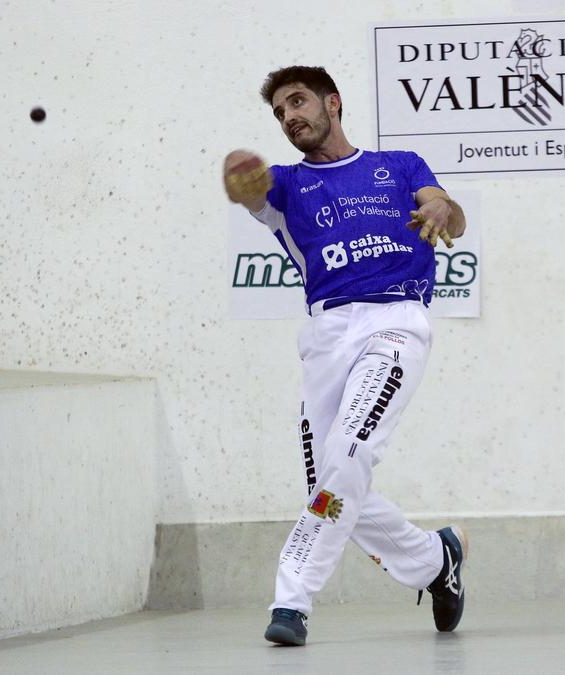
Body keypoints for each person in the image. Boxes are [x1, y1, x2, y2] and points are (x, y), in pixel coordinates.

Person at [222, 65, 468, 647]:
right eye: (280, 113)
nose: (291, 117)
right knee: (331, 480)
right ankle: (436, 560)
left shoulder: (401, 165)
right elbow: (253, 191)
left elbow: (446, 210)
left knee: (348, 452)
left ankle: (292, 599)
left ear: (333, 102)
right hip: (326, 333)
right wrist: (241, 176)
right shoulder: (286, 184)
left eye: (299, 102)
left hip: (395, 321)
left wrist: (440, 208)